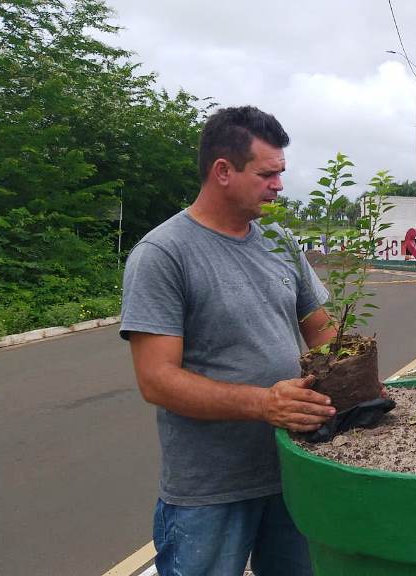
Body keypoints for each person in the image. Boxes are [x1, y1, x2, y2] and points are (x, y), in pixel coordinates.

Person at [120, 106, 337, 576]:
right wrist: (265, 404)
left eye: (281, 173)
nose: (279, 185)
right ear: (223, 171)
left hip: (294, 467)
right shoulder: (163, 254)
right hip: (210, 491)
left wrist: (351, 382)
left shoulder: (279, 240)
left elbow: (319, 328)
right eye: (267, 174)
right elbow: (156, 380)